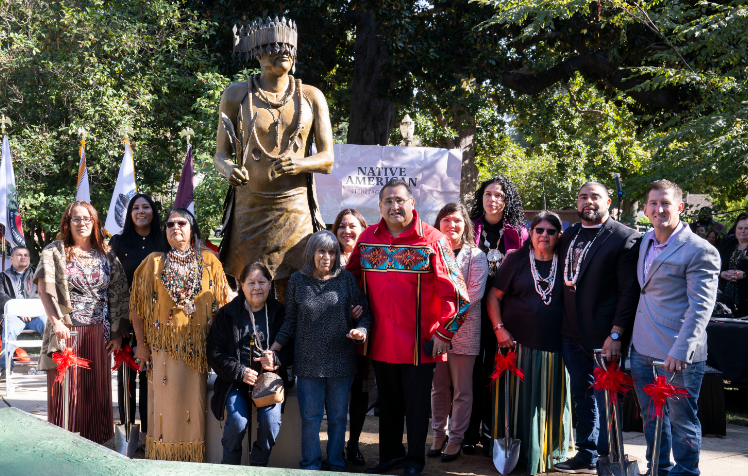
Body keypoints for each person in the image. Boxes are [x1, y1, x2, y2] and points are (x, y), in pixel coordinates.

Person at [346, 178, 471, 476]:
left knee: (417, 407)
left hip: (420, 342)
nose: (394, 206)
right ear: (379, 206)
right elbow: (348, 280)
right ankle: (390, 457)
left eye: (400, 200)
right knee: (387, 405)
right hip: (380, 340)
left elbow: (458, 294)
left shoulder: (433, 240)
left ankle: (414, 461)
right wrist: (350, 308)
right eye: (388, 201)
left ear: (412, 204)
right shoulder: (367, 239)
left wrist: (444, 333)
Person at [214, 17, 334, 300]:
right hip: (249, 208)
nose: (283, 53)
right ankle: (250, 343)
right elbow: (221, 154)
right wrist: (227, 168)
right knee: (250, 286)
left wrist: (301, 163)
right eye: (274, 47)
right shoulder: (235, 95)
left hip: (294, 210)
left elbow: (328, 159)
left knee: (293, 290)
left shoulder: (311, 96)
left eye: (288, 48)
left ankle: (289, 344)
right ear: (257, 52)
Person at [631, 180, 720, 476]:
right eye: (654, 203)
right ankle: (657, 469)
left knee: (682, 420)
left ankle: (685, 472)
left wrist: (681, 350)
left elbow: (701, 308)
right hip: (642, 347)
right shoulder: (645, 240)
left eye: (666, 203)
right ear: (645, 209)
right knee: (650, 416)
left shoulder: (700, 250)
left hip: (678, 355)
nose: (659, 209)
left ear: (680, 207)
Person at [553, 182, 641, 474]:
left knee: (607, 400)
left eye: (595, 197)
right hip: (570, 333)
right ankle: (586, 453)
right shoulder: (569, 235)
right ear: (576, 203)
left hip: (604, 336)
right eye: (583, 197)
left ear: (607, 202)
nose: (588, 201)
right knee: (582, 394)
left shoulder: (624, 238)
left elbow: (629, 292)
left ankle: (608, 456)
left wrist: (616, 334)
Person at [130, 208, 231, 462]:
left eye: (181, 223)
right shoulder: (153, 263)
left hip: (196, 352)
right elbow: (136, 308)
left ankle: (189, 461)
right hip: (162, 351)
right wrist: (141, 345)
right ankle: (162, 462)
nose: (175, 227)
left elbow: (227, 303)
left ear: (192, 229)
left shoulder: (210, 261)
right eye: (169, 224)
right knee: (163, 409)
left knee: (192, 409)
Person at [270, 230, 372, 471]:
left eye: (332, 252)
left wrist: (361, 330)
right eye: (321, 251)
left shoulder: (346, 280)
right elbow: (290, 321)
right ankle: (311, 465)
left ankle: (336, 463)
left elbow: (365, 311)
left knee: (337, 419)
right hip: (308, 363)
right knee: (311, 419)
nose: (327, 257)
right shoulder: (297, 280)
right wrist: (274, 350)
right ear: (311, 253)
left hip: (341, 361)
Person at [35, 201, 129, 444]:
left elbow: (119, 292)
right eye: (76, 219)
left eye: (87, 219)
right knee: (65, 391)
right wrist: (56, 322)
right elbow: (44, 291)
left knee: (95, 392)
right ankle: (63, 445)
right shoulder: (54, 251)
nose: (82, 223)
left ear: (94, 222)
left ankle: (97, 445)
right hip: (67, 331)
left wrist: (117, 333)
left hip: (99, 331)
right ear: (68, 223)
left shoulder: (106, 253)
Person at [488, 211, 572, 474]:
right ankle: (521, 454)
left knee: (550, 403)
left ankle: (549, 453)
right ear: (531, 233)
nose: (544, 235)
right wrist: (499, 329)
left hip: (557, 348)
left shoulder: (569, 262)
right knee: (518, 404)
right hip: (517, 347)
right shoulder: (516, 261)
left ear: (559, 235)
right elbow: (493, 297)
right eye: (539, 230)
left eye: (550, 231)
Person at [207, 261, 293, 466]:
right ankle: (230, 468)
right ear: (241, 285)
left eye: (262, 282)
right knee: (237, 422)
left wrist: (278, 360)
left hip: (270, 382)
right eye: (251, 282)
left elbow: (294, 350)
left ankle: (258, 466)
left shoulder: (281, 313)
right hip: (234, 382)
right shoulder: (227, 314)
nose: (257, 287)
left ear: (270, 284)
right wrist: (239, 371)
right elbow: (213, 352)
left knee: (270, 422)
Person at [466, 175, 528, 456]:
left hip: (504, 313)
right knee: (470, 372)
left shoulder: (519, 234)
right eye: (489, 194)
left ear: (508, 200)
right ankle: (467, 431)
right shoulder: (469, 229)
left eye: (500, 196)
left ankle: (492, 432)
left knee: (495, 371)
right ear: (481, 198)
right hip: (470, 311)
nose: (493, 200)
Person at [429, 202, 488, 461]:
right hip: (435, 331)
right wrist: (437, 327)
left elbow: (473, 295)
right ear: (438, 223)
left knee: (462, 390)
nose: (451, 225)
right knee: (438, 388)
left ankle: (455, 439)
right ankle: (438, 435)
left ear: (465, 226)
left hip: (463, 330)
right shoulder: (430, 251)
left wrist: (448, 324)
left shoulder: (476, 256)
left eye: (457, 221)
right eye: (446, 220)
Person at [108, 193, 163, 445]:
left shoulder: (164, 240)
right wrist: (116, 328)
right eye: (135, 208)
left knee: (153, 379)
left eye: (146, 207)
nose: (141, 211)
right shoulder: (119, 243)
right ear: (129, 214)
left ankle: (149, 434)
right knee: (127, 379)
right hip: (127, 323)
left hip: (160, 322)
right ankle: (128, 432)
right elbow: (111, 283)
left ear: (153, 211)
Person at [333, 208, 373, 466]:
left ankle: (354, 444)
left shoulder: (371, 257)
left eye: (352, 226)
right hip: (333, 337)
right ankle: (333, 446)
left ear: (362, 229)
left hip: (363, 335)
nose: (347, 231)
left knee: (360, 391)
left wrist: (363, 310)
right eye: (342, 226)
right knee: (336, 392)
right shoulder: (326, 257)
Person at [0, 246, 45, 377]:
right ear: (11, 258)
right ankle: (5, 367)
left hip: (36, 314)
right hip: (14, 315)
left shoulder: (38, 275)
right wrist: (19, 310)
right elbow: (2, 297)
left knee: (49, 324)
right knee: (9, 328)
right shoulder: (3, 277)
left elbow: (43, 295)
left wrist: (30, 310)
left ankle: (49, 364)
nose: (23, 257)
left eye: (26, 255)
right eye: (19, 255)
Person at [719, 213, 748, 317]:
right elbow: (714, 265)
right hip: (722, 298)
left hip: (745, 300)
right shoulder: (727, 243)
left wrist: (744, 275)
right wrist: (721, 273)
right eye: (740, 228)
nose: (743, 231)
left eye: (746, 228)